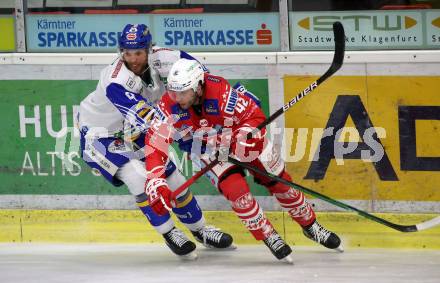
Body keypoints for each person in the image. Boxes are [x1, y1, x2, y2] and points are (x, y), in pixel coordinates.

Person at [144, 58, 343, 263]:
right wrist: (155, 179)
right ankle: (268, 234)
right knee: (237, 192)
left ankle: (310, 225)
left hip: (241, 139)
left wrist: (240, 137)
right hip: (205, 148)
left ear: (198, 87)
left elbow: (255, 118)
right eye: (173, 91)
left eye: (183, 92)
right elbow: (155, 143)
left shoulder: (221, 93)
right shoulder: (169, 104)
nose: (176, 98)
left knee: (280, 183)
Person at [76, 24, 234, 259]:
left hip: (131, 129)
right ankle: (169, 232)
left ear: (149, 49)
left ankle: (200, 231)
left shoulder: (168, 59)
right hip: (99, 134)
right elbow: (149, 120)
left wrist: (213, 123)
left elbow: (203, 81)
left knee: (174, 177)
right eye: (127, 53)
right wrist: (186, 136)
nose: (133, 59)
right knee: (137, 177)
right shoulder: (115, 81)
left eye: (138, 52)